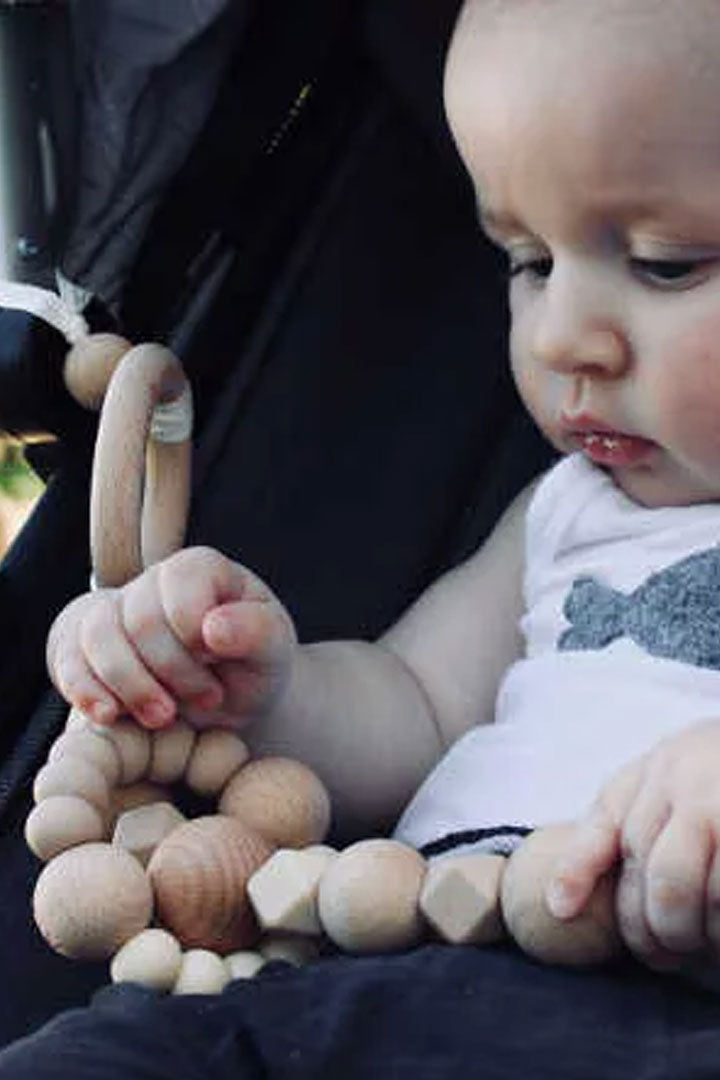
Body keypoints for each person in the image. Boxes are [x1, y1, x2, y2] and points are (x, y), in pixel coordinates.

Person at [5, 0, 720, 1075]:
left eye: (667, 264)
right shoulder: (569, 512)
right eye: (528, 263)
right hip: (367, 972)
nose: (563, 336)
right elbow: (414, 703)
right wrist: (259, 686)